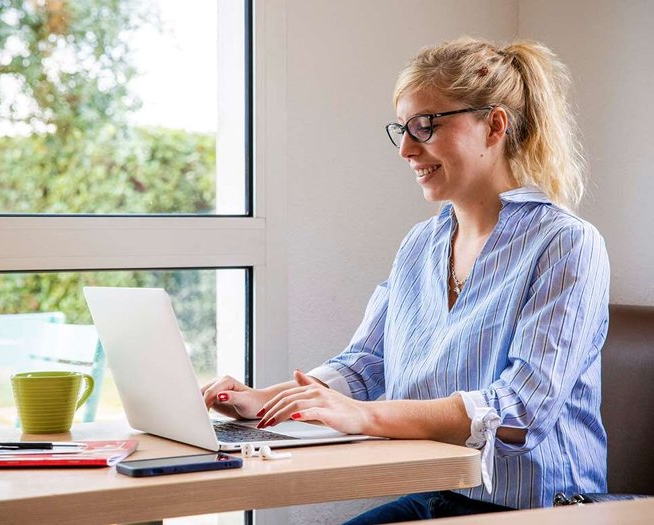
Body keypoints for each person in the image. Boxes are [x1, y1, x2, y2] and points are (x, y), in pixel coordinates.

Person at [202, 36, 610, 522]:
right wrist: (271, 402)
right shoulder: (422, 244)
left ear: (494, 126)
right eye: (403, 128)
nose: (406, 149)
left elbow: (520, 412)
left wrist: (366, 417)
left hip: (541, 511)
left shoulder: (566, 244)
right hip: (442, 497)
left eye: (425, 126)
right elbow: (366, 364)